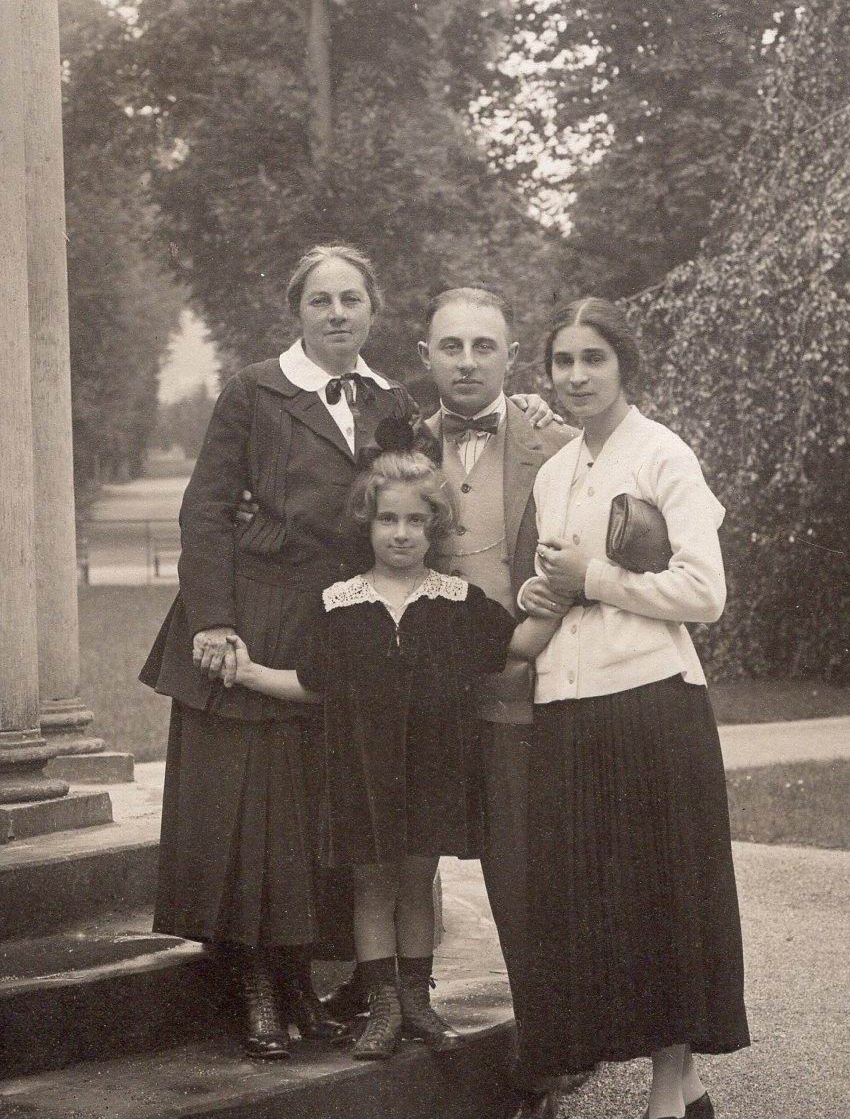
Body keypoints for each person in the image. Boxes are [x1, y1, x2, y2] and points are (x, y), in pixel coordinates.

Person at [142, 244, 556, 1061]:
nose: (336, 314)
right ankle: (259, 983)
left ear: (373, 311)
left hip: (348, 627)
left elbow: (416, 489)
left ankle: (330, 980)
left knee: (327, 811)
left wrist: (529, 414)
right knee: (250, 813)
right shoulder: (255, 390)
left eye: (351, 300)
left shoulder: (390, 400)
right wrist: (216, 621)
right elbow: (206, 510)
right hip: (256, 619)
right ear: (297, 310)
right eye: (320, 300)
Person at [516, 296, 750, 1119]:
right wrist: (547, 600)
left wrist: (594, 576)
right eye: (563, 361)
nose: (575, 376)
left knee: (661, 903)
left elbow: (703, 591)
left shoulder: (662, 454)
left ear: (624, 367)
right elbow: (557, 588)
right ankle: (680, 1092)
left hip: (652, 702)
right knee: (604, 906)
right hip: (568, 706)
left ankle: (663, 1109)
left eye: (592, 360)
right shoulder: (554, 473)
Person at [224, 440, 557, 1059]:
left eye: (415, 520)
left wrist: (558, 597)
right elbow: (310, 685)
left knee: (417, 878)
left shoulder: (456, 602)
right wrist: (246, 673)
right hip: (362, 775)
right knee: (372, 886)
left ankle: (417, 1004)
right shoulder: (340, 604)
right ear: (367, 523)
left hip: (433, 770)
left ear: (435, 527)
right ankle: (381, 1010)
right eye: (387, 519)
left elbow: (519, 646)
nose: (401, 533)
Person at [417, 287, 577, 1119]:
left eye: (484, 345)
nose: (467, 360)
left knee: (520, 880)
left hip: (517, 691)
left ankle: (541, 1064)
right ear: (425, 354)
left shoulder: (556, 439)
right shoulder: (398, 441)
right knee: (405, 857)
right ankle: (395, 1009)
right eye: (451, 345)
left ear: (510, 356)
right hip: (423, 699)